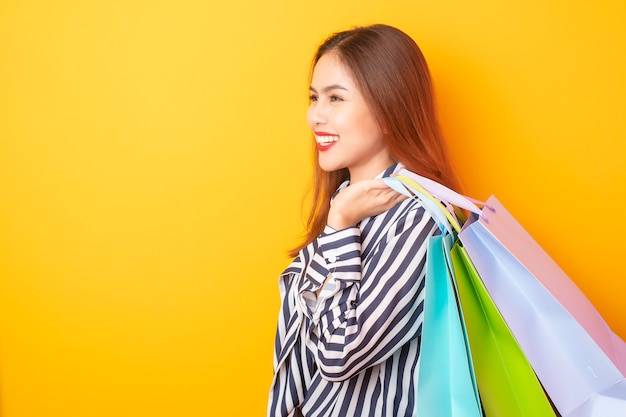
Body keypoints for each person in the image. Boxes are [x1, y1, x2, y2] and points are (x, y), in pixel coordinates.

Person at [267, 24, 461, 417]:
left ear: (390, 108)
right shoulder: (345, 202)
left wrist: (339, 229)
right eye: (314, 97)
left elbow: (339, 354)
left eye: (336, 98)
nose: (315, 116)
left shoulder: (421, 221)